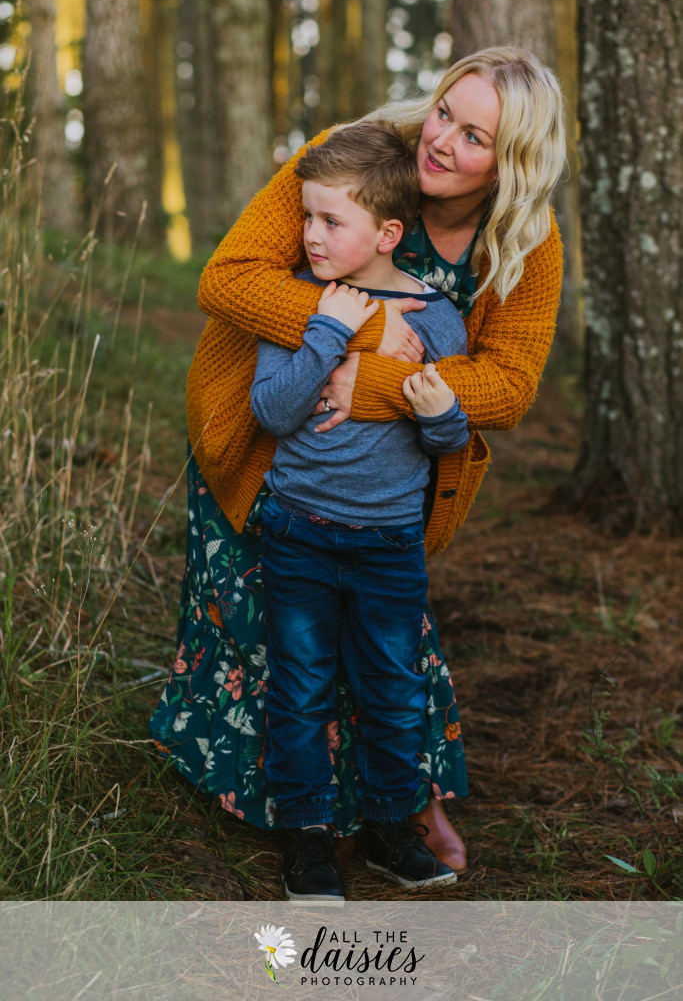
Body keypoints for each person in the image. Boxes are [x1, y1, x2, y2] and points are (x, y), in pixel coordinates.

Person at [150, 45, 566, 878]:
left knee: (382, 652)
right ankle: (286, 817)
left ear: (511, 163)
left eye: (474, 137)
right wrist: (365, 326)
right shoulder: (357, 156)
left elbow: (510, 385)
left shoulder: (524, 238)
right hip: (263, 444)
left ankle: (389, 812)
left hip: (383, 491)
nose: (441, 140)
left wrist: (376, 383)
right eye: (444, 111)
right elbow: (228, 278)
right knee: (268, 641)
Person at [251, 123, 469, 902]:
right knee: (300, 687)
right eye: (306, 217)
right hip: (298, 531)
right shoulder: (297, 301)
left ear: (386, 233)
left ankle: (386, 827)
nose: (310, 235)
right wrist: (326, 334)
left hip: (388, 543)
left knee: (391, 689)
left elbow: (448, 437)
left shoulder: (437, 320)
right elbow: (273, 411)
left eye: (330, 220)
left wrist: (440, 412)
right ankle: (307, 837)